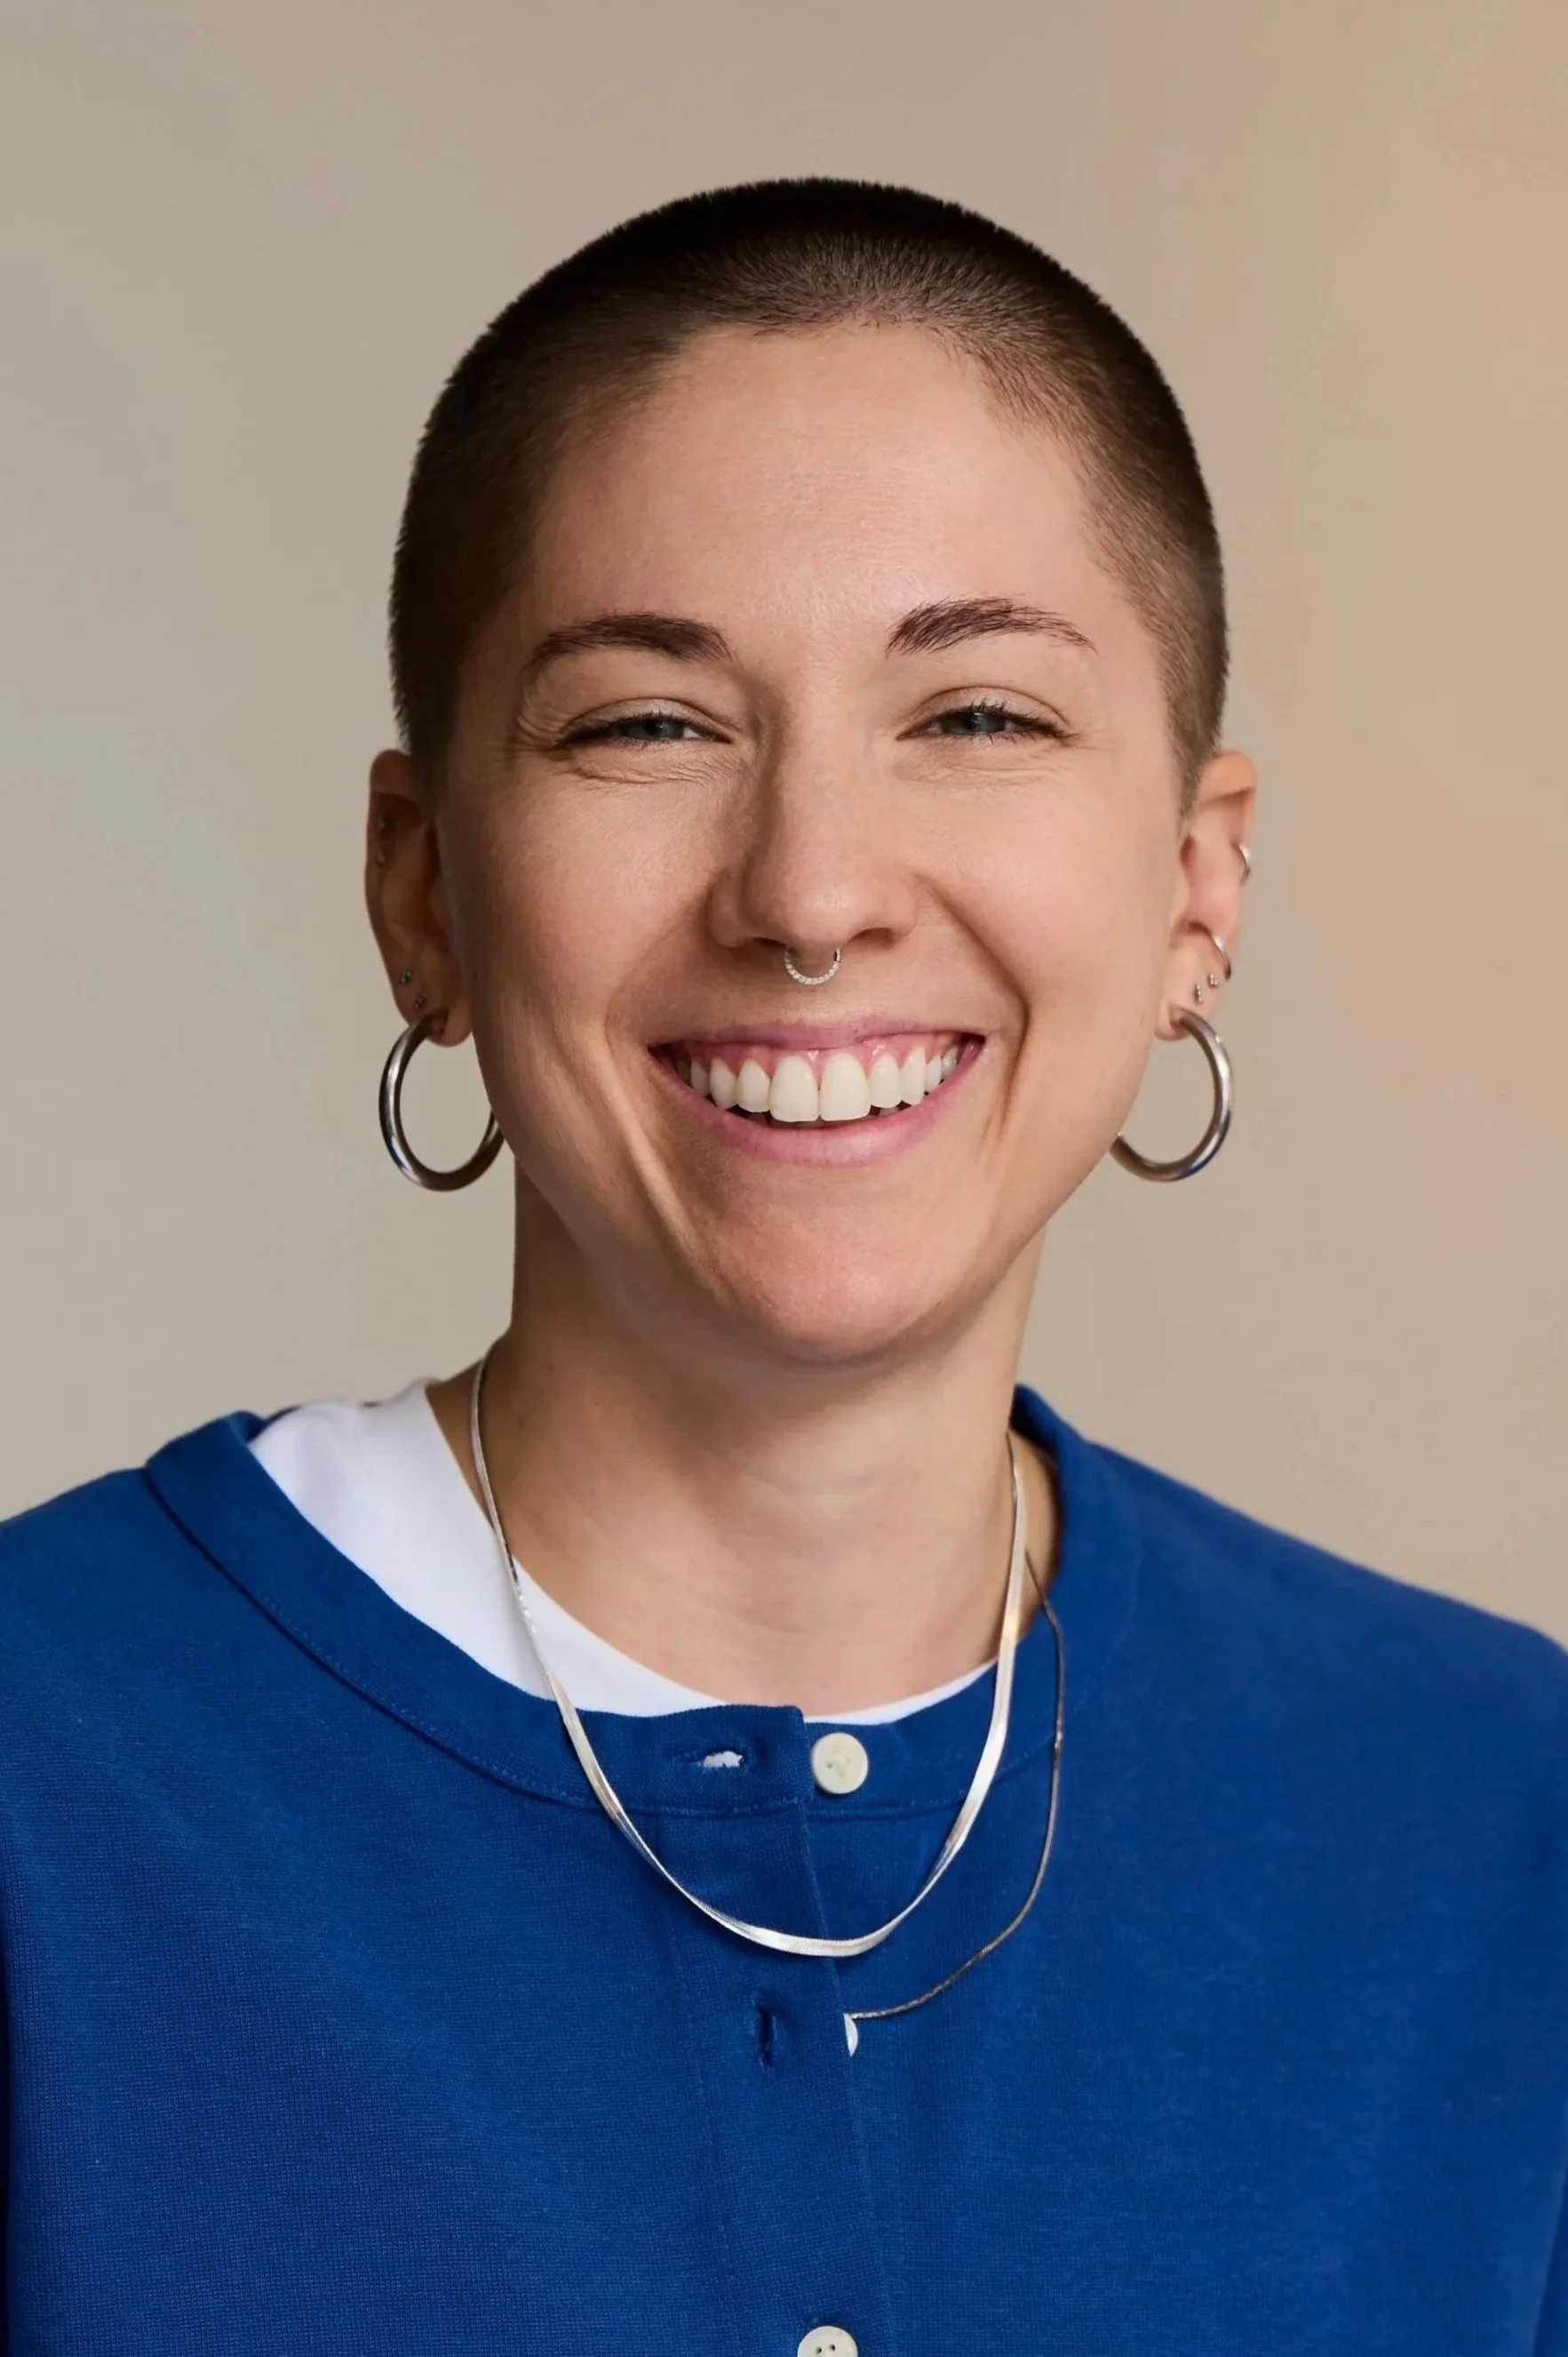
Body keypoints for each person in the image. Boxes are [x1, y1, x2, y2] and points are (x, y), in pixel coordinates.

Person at [2, 178, 1564, 2357]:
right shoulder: (44, 1775)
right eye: (647, 723)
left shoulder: (1506, 1826)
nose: (812, 891)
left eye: (981, 718)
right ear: (424, 888)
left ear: (1199, 890)